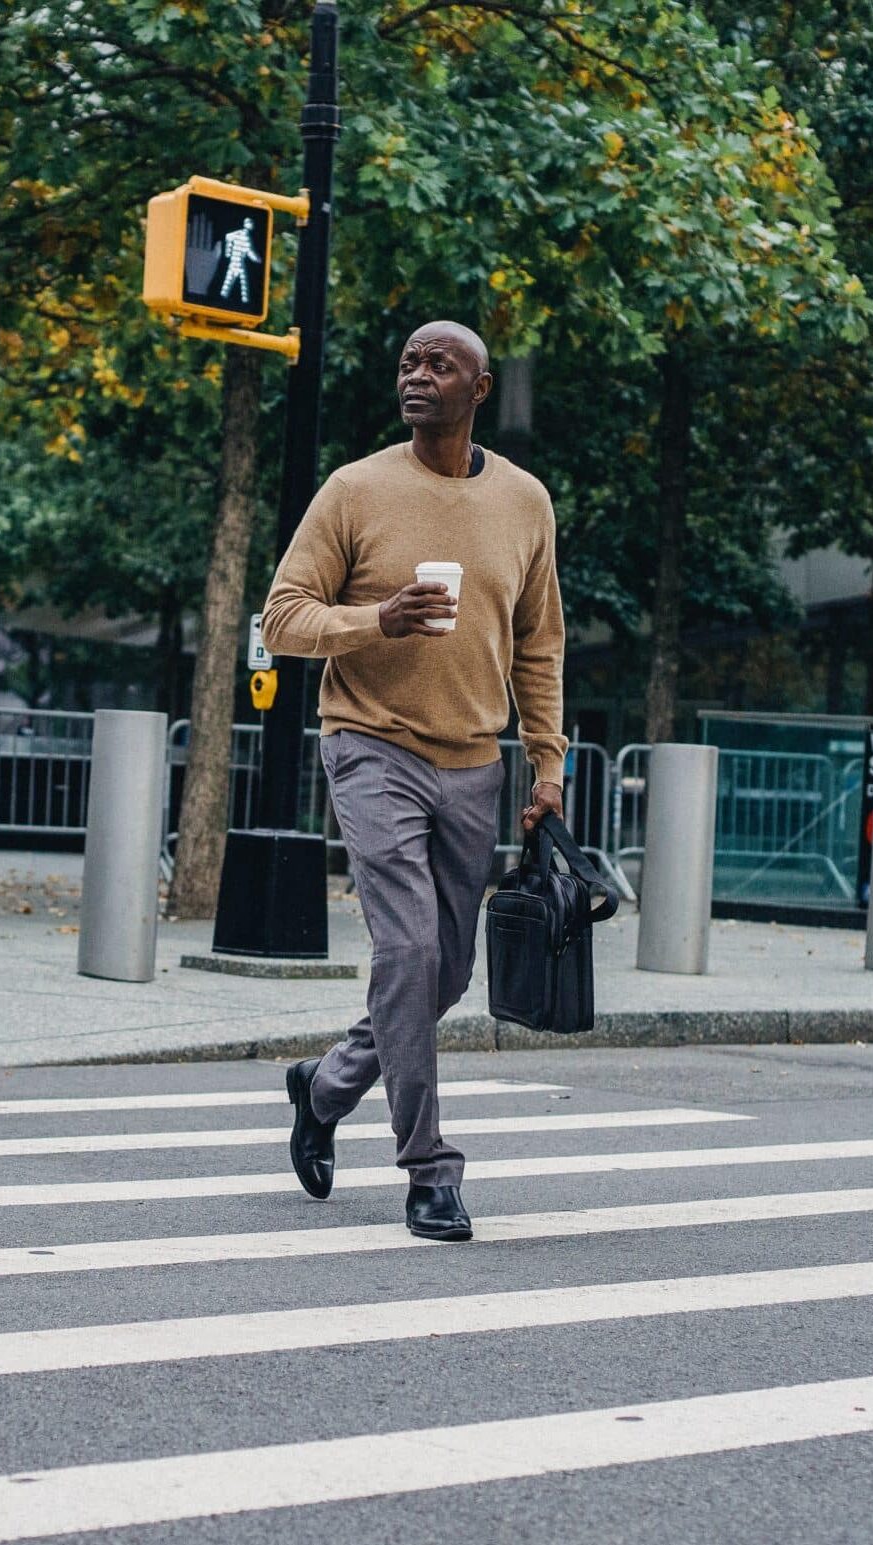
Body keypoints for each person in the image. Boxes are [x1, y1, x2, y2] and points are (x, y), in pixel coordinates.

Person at [259, 319, 567, 1241]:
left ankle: (323, 1087)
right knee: (407, 954)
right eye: (408, 363)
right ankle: (428, 1167)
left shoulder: (524, 501)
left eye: (441, 365)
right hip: (371, 746)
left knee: (446, 972)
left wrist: (546, 761)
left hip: (474, 759)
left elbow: (538, 643)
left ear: (478, 389)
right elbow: (282, 618)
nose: (418, 376)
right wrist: (375, 620)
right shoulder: (355, 489)